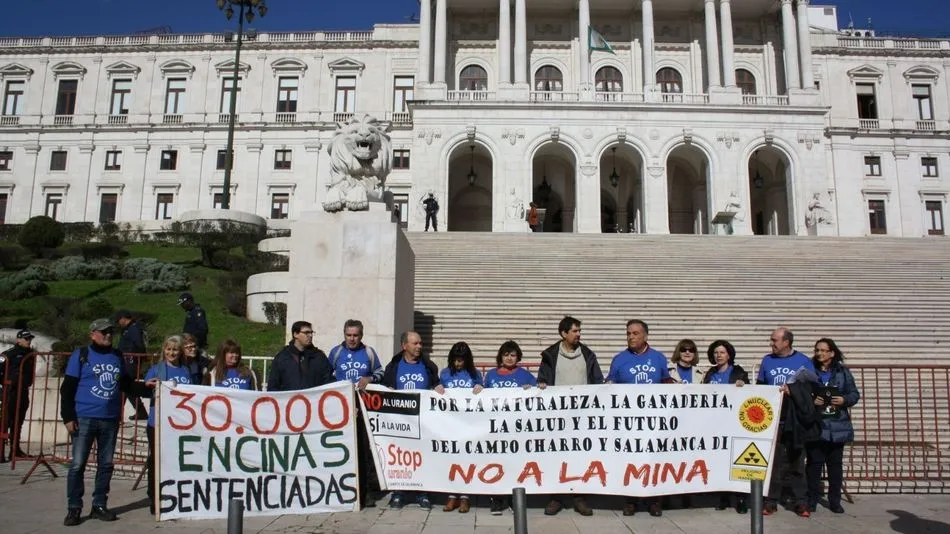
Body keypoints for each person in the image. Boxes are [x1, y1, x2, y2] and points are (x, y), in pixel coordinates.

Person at [60, 319, 150, 526]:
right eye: (104, 332)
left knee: (106, 464)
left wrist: (149, 388)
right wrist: (68, 417)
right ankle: (74, 508)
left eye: (111, 331)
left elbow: (126, 384)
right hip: (84, 417)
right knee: (77, 465)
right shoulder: (81, 355)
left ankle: (99, 505)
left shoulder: (117, 355)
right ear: (93, 334)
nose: (109, 335)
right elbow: (67, 388)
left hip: (110, 419)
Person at [537, 316, 603, 517]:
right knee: (556, 456)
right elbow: (542, 379)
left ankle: (579, 497)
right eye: (575, 331)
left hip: (582, 416)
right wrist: (541, 385)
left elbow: (597, 381)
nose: (578, 334)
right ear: (563, 334)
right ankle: (556, 497)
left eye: (579, 330)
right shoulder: (550, 355)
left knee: (580, 456)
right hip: (557, 416)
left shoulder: (588, 355)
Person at [605, 319, 669, 517]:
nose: (631, 337)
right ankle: (630, 500)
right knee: (630, 459)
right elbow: (610, 384)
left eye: (635, 333)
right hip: (629, 421)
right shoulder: (619, 359)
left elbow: (666, 381)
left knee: (654, 458)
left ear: (645, 336)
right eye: (628, 333)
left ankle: (654, 501)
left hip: (654, 420)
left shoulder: (658, 358)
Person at [756, 327, 816, 517]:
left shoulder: (803, 361)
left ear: (786, 342)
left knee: (797, 462)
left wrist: (794, 391)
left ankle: (801, 502)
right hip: (774, 418)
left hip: (795, 419)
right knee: (773, 463)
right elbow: (761, 386)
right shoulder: (767, 360)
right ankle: (770, 501)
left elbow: (812, 387)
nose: (771, 343)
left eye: (774, 340)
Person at [380, 331, 444, 509]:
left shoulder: (428, 366)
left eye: (421, 343)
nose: (419, 347)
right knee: (399, 457)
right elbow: (386, 388)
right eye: (415, 343)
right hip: (399, 422)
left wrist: (438, 388)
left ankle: (422, 493)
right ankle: (398, 492)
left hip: (422, 422)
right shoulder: (393, 366)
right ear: (404, 346)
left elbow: (435, 384)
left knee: (422, 456)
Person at [328, 319, 383, 508]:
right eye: (349, 335)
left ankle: (366, 493)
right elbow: (327, 376)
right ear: (344, 334)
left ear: (361, 335)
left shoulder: (368, 352)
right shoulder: (336, 353)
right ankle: (342, 490)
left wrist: (369, 378)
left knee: (364, 450)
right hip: (342, 409)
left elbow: (380, 372)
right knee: (342, 449)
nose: (352, 339)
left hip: (364, 408)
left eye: (355, 335)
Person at [806, 338, 860, 514]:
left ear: (832, 353)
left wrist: (844, 400)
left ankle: (835, 501)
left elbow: (854, 394)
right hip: (817, 425)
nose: (819, 353)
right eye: (817, 350)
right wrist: (812, 400)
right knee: (814, 464)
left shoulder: (843, 372)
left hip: (837, 426)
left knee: (835, 466)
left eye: (823, 350)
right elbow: (802, 394)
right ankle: (812, 500)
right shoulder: (809, 371)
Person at [142, 335, 194, 514]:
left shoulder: (186, 371)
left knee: (176, 460)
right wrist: (148, 385)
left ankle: (174, 494)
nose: (172, 352)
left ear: (181, 352)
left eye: (175, 349)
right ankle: (154, 496)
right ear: (164, 350)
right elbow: (144, 389)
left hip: (179, 424)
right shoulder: (156, 370)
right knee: (156, 460)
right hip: (157, 423)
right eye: (169, 349)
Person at [483, 340, 535, 515]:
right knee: (496, 463)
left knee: (515, 464)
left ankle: (515, 498)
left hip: (516, 429)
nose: (510, 358)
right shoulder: (490, 375)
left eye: (513, 355)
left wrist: (531, 390)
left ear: (518, 357)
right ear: (500, 356)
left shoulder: (525, 375)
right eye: (506, 354)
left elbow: (538, 394)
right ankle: (497, 499)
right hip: (495, 428)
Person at [702, 339, 750, 514]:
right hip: (715, 424)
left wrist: (742, 386)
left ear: (729, 354)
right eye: (715, 352)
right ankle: (723, 497)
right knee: (719, 462)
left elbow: (748, 392)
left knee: (735, 461)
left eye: (722, 352)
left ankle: (741, 498)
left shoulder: (738, 372)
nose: (718, 355)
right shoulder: (710, 374)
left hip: (733, 423)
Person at [438, 342, 483, 514]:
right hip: (450, 423)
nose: (458, 364)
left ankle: (465, 497)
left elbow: (484, 397)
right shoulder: (445, 374)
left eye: (461, 360)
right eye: (456, 360)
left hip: (469, 424)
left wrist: (481, 388)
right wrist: (437, 388)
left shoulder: (475, 374)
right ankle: (451, 496)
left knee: (466, 460)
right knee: (451, 459)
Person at [267, 321, 334, 392]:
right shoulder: (282, 358)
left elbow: (328, 381)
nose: (310, 335)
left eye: (311, 332)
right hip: (290, 401)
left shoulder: (319, 356)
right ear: (295, 334)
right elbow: (273, 387)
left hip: (313, 401)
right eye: (306, 333)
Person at [1, 329, 35, 462]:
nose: (29, 341)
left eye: (30, 339)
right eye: (26, 339)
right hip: (10, 391)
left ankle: (15, 450)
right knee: (5, 421)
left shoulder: (30, 354)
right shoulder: (9, 354)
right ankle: (1, 451)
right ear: (18, 340)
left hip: (23, 390)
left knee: (18, 421)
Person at [115, 310, 149, 421]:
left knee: (126, 387)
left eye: (118, 320)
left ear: (123, 318)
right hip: (127, 361)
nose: (118, 323)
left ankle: (120, 414)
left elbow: (139, 345)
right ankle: (139, 411)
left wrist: (138, 359)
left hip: (131, 362)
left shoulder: (133, 328)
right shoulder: (129, 329)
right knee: (126, 388)